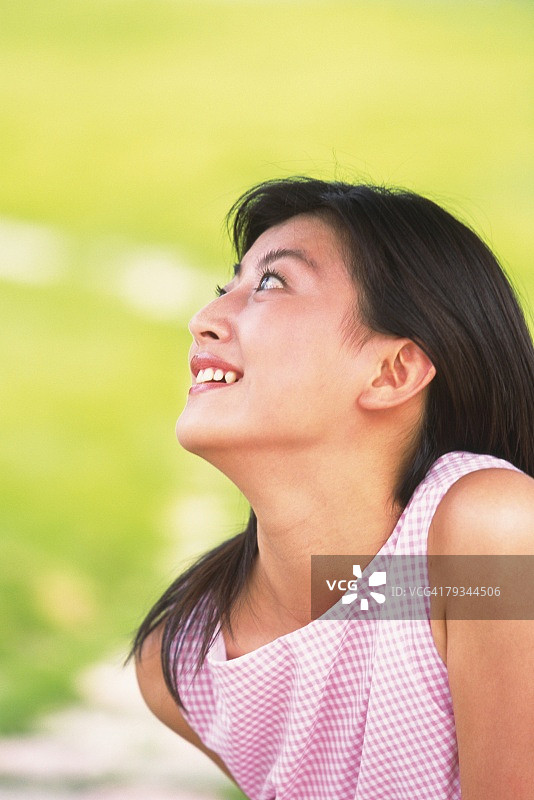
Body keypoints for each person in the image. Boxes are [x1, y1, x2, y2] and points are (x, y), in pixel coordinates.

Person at [131, 177, 534, 799]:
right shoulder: (184, 660)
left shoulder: (487, 541)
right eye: (225, 287)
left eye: (270, 283)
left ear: (392, 370)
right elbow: (353, 591)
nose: (205, 319)